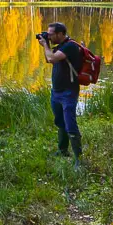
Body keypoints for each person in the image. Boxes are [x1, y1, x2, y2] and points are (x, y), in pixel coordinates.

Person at [37, 21, 83, 166]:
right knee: (61, 122)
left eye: (51, 34)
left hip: (68, 92)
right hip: (56, 92)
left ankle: (78, 159)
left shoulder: (70, 46)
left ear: (61, 34)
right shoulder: (60, 47)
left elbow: (51, 58)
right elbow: (49, 59)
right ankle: (63, 151)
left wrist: (46, 45)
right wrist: (46, 45)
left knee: (70, 124)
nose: (49, 36)